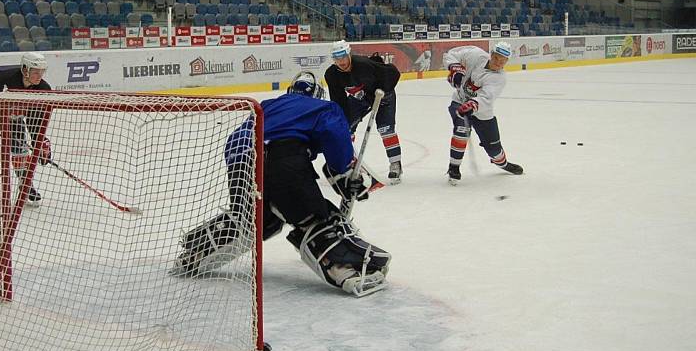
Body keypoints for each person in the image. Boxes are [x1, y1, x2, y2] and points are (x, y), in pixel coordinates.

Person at [172, 71, 391, 297]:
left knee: (256, 219)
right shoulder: (322, 107)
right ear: (317, 94)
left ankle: (195, 253)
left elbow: (235, 141)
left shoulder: (267, 106)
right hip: (284, 161)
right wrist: (345, 170)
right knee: (315, 218)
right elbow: (333, 136)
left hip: (240, 163)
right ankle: (346, 270)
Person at [0, 52, 53, 207]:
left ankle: (25, 188)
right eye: (35, 71)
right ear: (25, 69)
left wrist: (39, 142)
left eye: (41, 71)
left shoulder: (42, 89)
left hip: (13, 118)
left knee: (20, 149)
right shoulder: (3, 80)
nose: (38, 75)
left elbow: (36, 122)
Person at [443, 41, 523, 184]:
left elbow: (486, 98)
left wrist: (473, 104)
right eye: (497, 58)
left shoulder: (499, 78)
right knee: (461, 130)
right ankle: (453, 167)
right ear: (491, 54)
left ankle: (503, 163)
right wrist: (455, 69)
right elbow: (450, 54)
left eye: (503, 61)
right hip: (459, 102)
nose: (499, 63)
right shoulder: (475, 54)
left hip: (482, 112)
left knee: (493, 149)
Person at [324, 40, 403, 183]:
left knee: (385, 129)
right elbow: (338, 101)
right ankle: (348, 162)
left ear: (349, 54)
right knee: (344, 127)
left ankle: (395, 164)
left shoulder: (363, 65)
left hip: (383, 95)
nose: (341, 61)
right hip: (361, 97)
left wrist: (382, 91)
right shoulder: (332, 75)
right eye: (337, 58)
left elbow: (393, 72)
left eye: (343, 57)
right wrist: (342, 121)